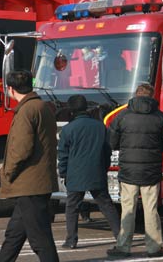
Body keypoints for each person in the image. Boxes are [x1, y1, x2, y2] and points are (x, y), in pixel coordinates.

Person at [107, 83, 163, 258]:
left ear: (136, 95)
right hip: (151, 172)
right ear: (151, 96)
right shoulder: (160, 117)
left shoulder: (122, 116)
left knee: (128, 209)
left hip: (128, 171)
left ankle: (123, 247)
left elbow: (111, 142)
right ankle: (154, 248)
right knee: (151, 209)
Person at [0, 70, 59, 262]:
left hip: (29, 184)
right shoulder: (42, 106)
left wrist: (7, 172)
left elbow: (21, 148)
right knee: (14, 235)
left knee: (40, 239)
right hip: (37, 182)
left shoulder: (26, 111)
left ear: (10, 89)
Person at [58, 94, 120, 249]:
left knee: (72, 207)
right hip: (96, 171)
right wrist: (103, 168)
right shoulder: (100, 127)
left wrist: (63, 173)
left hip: (75, 173)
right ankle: (120, 236)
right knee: (106, 205)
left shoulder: (67, 129)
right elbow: (107, 151)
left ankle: (71, 240)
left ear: (71, 110)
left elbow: (63, 155)